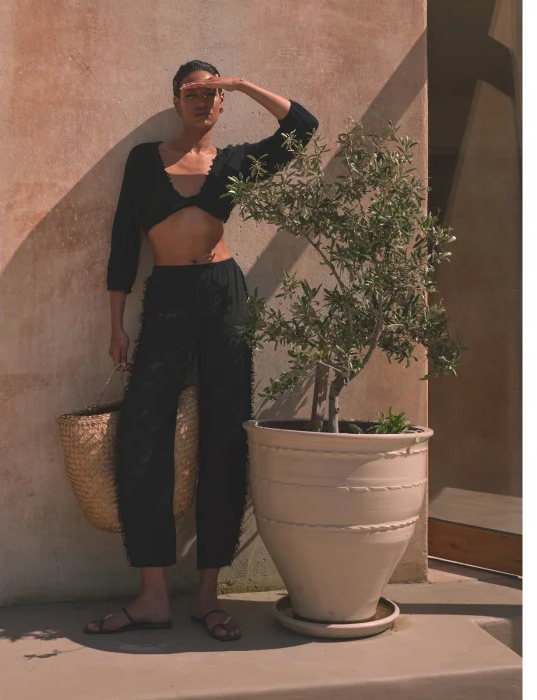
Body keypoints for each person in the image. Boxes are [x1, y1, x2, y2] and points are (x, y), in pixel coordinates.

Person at [83, 60, 319, 642]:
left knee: (226, 434)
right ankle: (152, 595)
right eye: (192, 91)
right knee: (143, 433)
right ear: (175, 100)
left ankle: (208, 595)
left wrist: (241, 83)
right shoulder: (144, 160)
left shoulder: (234, 161)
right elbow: (123, 241)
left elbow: (302, 129)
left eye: (213, 92)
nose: (203, 99)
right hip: (166, 296)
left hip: (223, 295)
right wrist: (115, 323)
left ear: (222, 103)